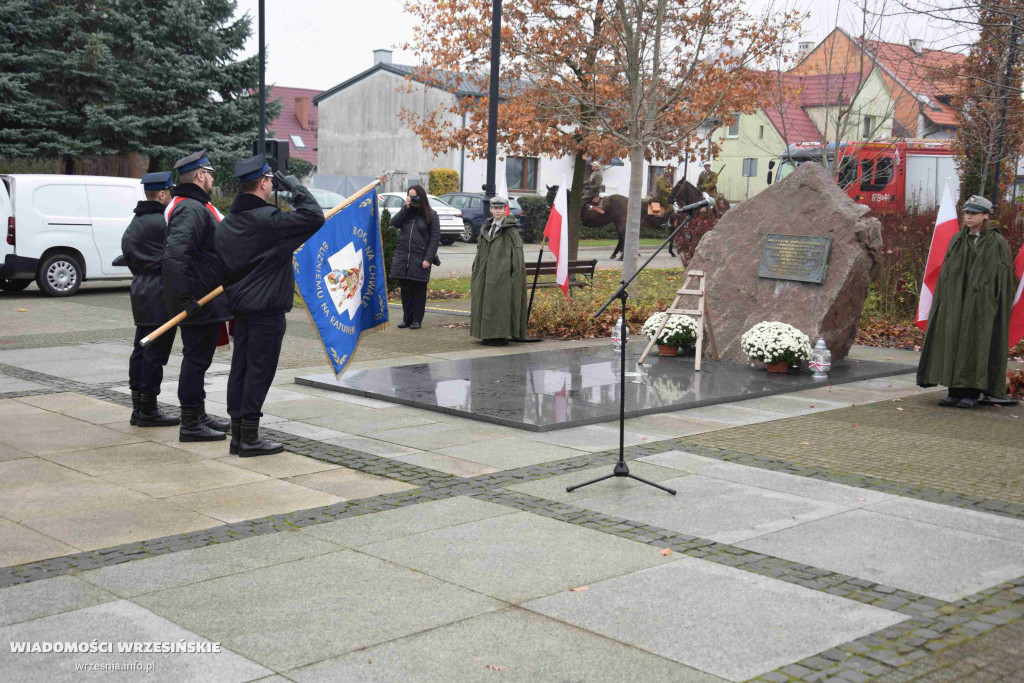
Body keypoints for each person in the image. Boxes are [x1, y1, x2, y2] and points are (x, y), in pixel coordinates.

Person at [215, 156, 325, 456]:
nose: (272, 184)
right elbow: (314, 216)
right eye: (270, 181)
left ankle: (238, 434)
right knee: (259, 371)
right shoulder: (269, 221)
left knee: (240, 369)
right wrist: (293, 185)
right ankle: (249, 437)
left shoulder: (227, 224)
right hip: (266, 311)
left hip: (241, 310)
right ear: (264, 183)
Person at [917, 195, 1017, 408]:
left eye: (973, 213)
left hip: (982, 305)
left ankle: (972, 392)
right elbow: (947, 273)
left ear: (986, 216)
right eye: (966, 213)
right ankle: (954, 390)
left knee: (975, 344)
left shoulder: (996, 243)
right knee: (953, 341)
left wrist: (991, 301)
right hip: (955, 302)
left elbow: (1004, 278)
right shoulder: (958, 239)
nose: (968, 217)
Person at [162, 150, 232, 442]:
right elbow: (177, 256)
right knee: (195, 360)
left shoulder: (194, 205)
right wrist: (184, 301)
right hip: (198, 300)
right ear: (201, 175)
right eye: (210, 173)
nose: (213, 179)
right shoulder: (191, 208)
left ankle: (198, 414)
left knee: (199, 360)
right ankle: (190, 422)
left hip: (204, 297)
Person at [121, 171, 179, 428]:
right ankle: (148, 410)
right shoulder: (161, 221)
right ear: (162, 193)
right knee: (155, 353)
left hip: (141, 289)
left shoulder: (136, 221)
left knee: (141, 350)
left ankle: (138, 407)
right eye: (170, 192)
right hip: (159, 292)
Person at [470, 195, 527, 345]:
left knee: (500, 303)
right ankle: (487, 334)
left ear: (505, 209)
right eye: (495, 208)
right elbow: (480, 250)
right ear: (490, 209)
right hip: (484, 271)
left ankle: (499, 335)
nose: (498, 211)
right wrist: (476, 268)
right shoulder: (486, 227)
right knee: (485, 301)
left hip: (503, 274)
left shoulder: (510, 230)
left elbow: (517, 254)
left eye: (501, 208)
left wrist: (512, 271)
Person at [390, 185, 440, 330]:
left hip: (420, 257)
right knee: (405, 290)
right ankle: (407, 318)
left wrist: (428, 258)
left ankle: (417, 319)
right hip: (403, 257)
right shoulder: (406, 213)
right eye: (410, 196)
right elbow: (394, 223)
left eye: (415, 197)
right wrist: (405, 207)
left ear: (422, 197)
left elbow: (435, 239)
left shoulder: (431, 215)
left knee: (418, 289)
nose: (413, 199)